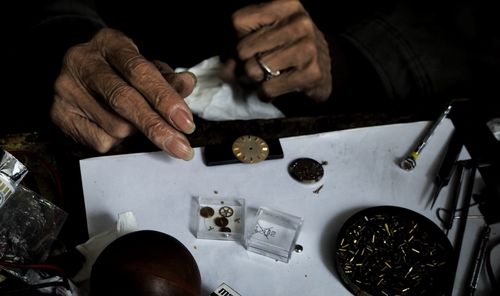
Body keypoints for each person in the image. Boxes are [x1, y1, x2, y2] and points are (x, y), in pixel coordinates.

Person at [3, 0, 498, 158]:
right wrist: (64, 45)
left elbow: (459, 26)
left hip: (339, 111)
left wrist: (343, 62)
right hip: (100, 119)